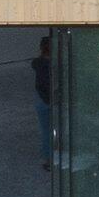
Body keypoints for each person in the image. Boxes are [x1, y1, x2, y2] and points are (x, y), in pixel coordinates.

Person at [31, 36, 55, 170]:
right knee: (51, 131)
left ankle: (49, 159)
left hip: (42, 101)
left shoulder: (38, 64)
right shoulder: (53, 65)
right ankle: (51, 159)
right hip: (49, 101)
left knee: (46, 131)